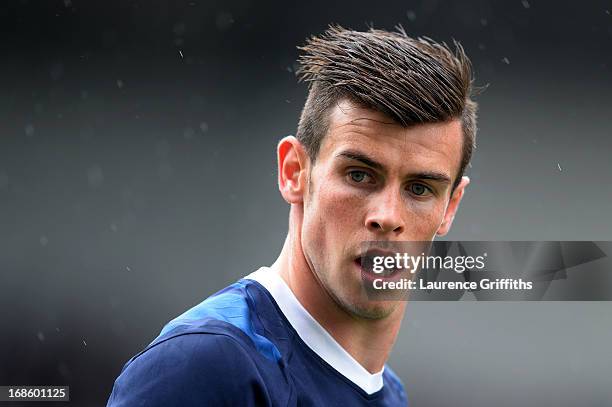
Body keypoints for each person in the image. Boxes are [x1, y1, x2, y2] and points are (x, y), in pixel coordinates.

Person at [107, 24, 477, 406]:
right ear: (294, 172)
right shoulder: (204, 366)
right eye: (359, 175)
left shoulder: (389, 395)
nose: (387, 216)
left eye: (419, 189)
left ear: (450, 206)